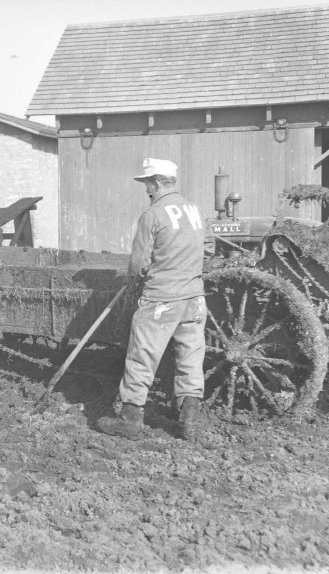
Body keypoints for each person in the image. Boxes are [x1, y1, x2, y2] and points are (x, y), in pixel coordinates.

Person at [97, 158, 212, 442]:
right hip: (195, 299)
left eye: (147, 183)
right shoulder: (194, 210)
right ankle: (189, 422)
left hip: (162, 299)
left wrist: (135, 282)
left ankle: (131, 421)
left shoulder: (153, 214)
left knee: (142, 356)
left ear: (157, 183)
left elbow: (138, 263)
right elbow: (207, 248)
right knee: (190, 358)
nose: (146, 189)